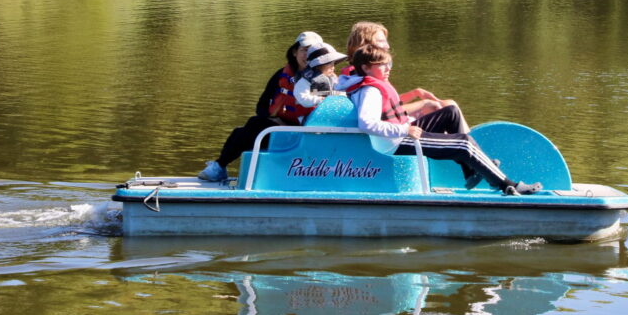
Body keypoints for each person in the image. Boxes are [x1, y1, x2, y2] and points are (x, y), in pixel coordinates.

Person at [338, 44, 541, 195]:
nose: (388, 68)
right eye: (382, 65)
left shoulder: (372, 84)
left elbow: (389, 113)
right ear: (365, 68)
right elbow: (367, 123)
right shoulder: (370, 90)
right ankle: (508, 185)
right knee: (463, 143)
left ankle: (471, 170)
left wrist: (406, 125)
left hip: (402, 131)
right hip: (396, 142)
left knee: (450, 112)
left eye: (388, 63)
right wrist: (404, 131)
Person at [198, 31, 322, 183]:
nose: (308, 56)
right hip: (279, 126)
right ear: (295, 52)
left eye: (312, 52)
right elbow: (262, 104)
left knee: (252, 127)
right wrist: (275, 121)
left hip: (305, 132)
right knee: (249, 127)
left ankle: (219, 167)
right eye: (304, 50)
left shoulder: (321, 79)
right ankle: (219, 166)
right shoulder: (281, 74)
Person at [341, 21, 469, 131]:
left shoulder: (370, 68)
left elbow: (388, 101)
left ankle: (463, 141)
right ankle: (465, 145)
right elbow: (381, 112)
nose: (387, 46)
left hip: (394, 120)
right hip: (393, 128)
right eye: (381, 41)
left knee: (447, 104)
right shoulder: (363, 73)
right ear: (366, 44)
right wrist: (423, 103)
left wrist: (414, 93)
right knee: (441, 107)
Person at [293, 41, 348, 109]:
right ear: (317, 65)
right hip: (310, 114)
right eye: (329, 64)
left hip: (329, 110)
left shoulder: (332, 78)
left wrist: (344, 95)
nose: (333, 67)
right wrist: (319, 100)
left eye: (333, 63)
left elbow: (338, 90)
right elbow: (302, 97)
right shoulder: (306, 80)